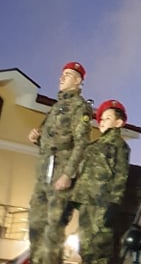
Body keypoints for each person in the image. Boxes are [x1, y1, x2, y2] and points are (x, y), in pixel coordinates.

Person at [28, 61, 92, 264]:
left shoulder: (79, 107)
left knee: (52, 230)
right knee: (35, 225)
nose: (61, 77)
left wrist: (68, 174)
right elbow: (50, 143)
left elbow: (81, 143)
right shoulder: (56, 108)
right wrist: (36, 138)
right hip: (44, 174)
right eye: (62, 74)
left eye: (68, 74)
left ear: (79, 81)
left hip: (61, 174)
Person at [72, 98, 130, 264]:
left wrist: (114, 202)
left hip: (102, 204)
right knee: (85, 249)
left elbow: (121, 174)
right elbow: (84, 173)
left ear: (119, 122)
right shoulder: (94, 145)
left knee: (99, 250)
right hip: (87, 203)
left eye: (107, 118)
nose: (102, 122)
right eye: (101, 119)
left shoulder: (119, 145)